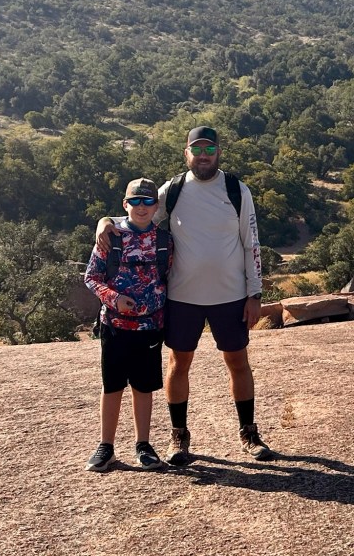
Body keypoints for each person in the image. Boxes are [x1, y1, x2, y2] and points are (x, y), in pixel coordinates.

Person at [95, 126, 270, 465]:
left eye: (209, 149)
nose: (203, 155)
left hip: (230, 295)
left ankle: (249, 434)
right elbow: (139, 215)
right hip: (182, 297)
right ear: (186, 153)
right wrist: (105, 221)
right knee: (179, 363)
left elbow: (252, 243)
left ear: (218, 152)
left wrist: (254, 293)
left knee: (238, 362)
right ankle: (179, 437)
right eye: (197, 149)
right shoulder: (173, 190)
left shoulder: (237, 190)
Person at [83, 178, 172, 472]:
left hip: (150, 328)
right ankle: (106, 446)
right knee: (112, 386)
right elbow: (91, 277)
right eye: (135, 201)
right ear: (125, 204)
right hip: (114, 325)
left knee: (143, 387)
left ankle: (143, 445)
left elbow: (171, 278)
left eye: (148, 202)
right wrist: (114, 298)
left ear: (156, 206)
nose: (141, 207)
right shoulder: (111, 237)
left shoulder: (164, 241)